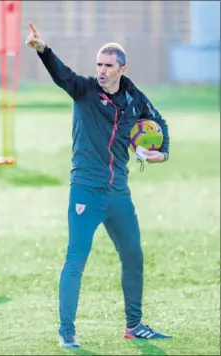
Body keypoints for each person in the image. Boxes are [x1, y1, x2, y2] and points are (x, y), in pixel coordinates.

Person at [26, 22, 172, 347]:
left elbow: (159, 123)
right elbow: (61, 74)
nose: (102, 71)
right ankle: (67, 331)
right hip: (86, 191)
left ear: (122, 68)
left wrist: (159, 154)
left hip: (119, 192)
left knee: (133, 255)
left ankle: (134, 325)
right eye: (99, 65)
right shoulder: (85, 90)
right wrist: (43, 50)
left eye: (108, 66)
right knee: (76, 259)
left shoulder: (134, 98)